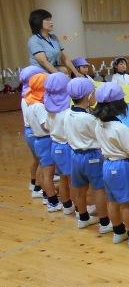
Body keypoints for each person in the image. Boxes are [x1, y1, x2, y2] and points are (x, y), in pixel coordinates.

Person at [94, 82, 129, 248]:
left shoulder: (98, 123)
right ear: (118, 104)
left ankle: (118, 233)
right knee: (127, 204)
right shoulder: (120, 128)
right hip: (121, 167)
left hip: (107, 165)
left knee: (112, 200)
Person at [66, 78, 110, 232]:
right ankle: (104, 223)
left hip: (75, 155)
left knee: (80, 188)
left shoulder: (67, 113)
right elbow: (101, 135)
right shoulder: (89, 118)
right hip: (92, 157)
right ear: (88, 96)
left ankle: (83, 218)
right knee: (99, 189)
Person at [24, 74, 61, 212]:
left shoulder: (30, 103)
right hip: (45, 140)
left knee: (43, 170)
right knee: (48, 175)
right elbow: (45, 125)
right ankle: (53, 201)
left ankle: (46, 195)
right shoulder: (39, 106)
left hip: (39, 140)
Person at [45, 72, 75, 215]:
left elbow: (46, 126)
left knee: (63, 177)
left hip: (55, 145)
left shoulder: (49, 108)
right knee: (73, 180)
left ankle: (67, 205)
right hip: (67, 147)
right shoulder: (67, 111)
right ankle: (80, 209)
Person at [27, 9, 79, 76]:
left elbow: (64, 58)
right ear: (38, 22)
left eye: (50, 19)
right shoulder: (34, 40)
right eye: (47, 20)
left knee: (64, 70)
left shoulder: (54, 37)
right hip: (40, 74)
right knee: (63, 72)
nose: (51, 22)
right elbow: (44, 62)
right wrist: (59, 76)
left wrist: (76, 73)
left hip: (53, 70)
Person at [20, 66, 46, 197]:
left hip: (29, 131)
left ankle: (34, 182)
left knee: (36, 160)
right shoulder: (32, 97)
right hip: (35, 131)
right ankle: (38, 187)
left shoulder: (26, 95)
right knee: (41, 162)